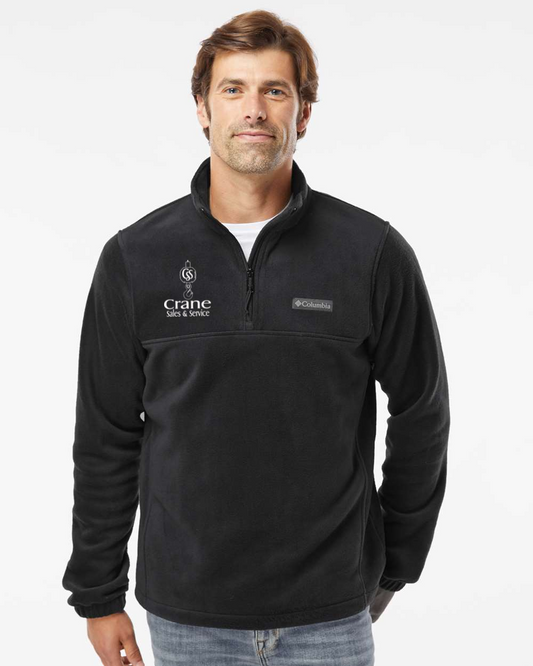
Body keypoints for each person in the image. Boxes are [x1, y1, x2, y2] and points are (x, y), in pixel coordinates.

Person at [62, 9, 450, 666]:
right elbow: (106, 435)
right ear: (202, 108)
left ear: (303, 112)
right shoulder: (136, 258)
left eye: (275, 90)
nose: (254, 109)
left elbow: (422, 413)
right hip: (187, 615)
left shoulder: (371, 253)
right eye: (233, 89)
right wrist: (99, 594)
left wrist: (394, 563)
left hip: (331, 613)